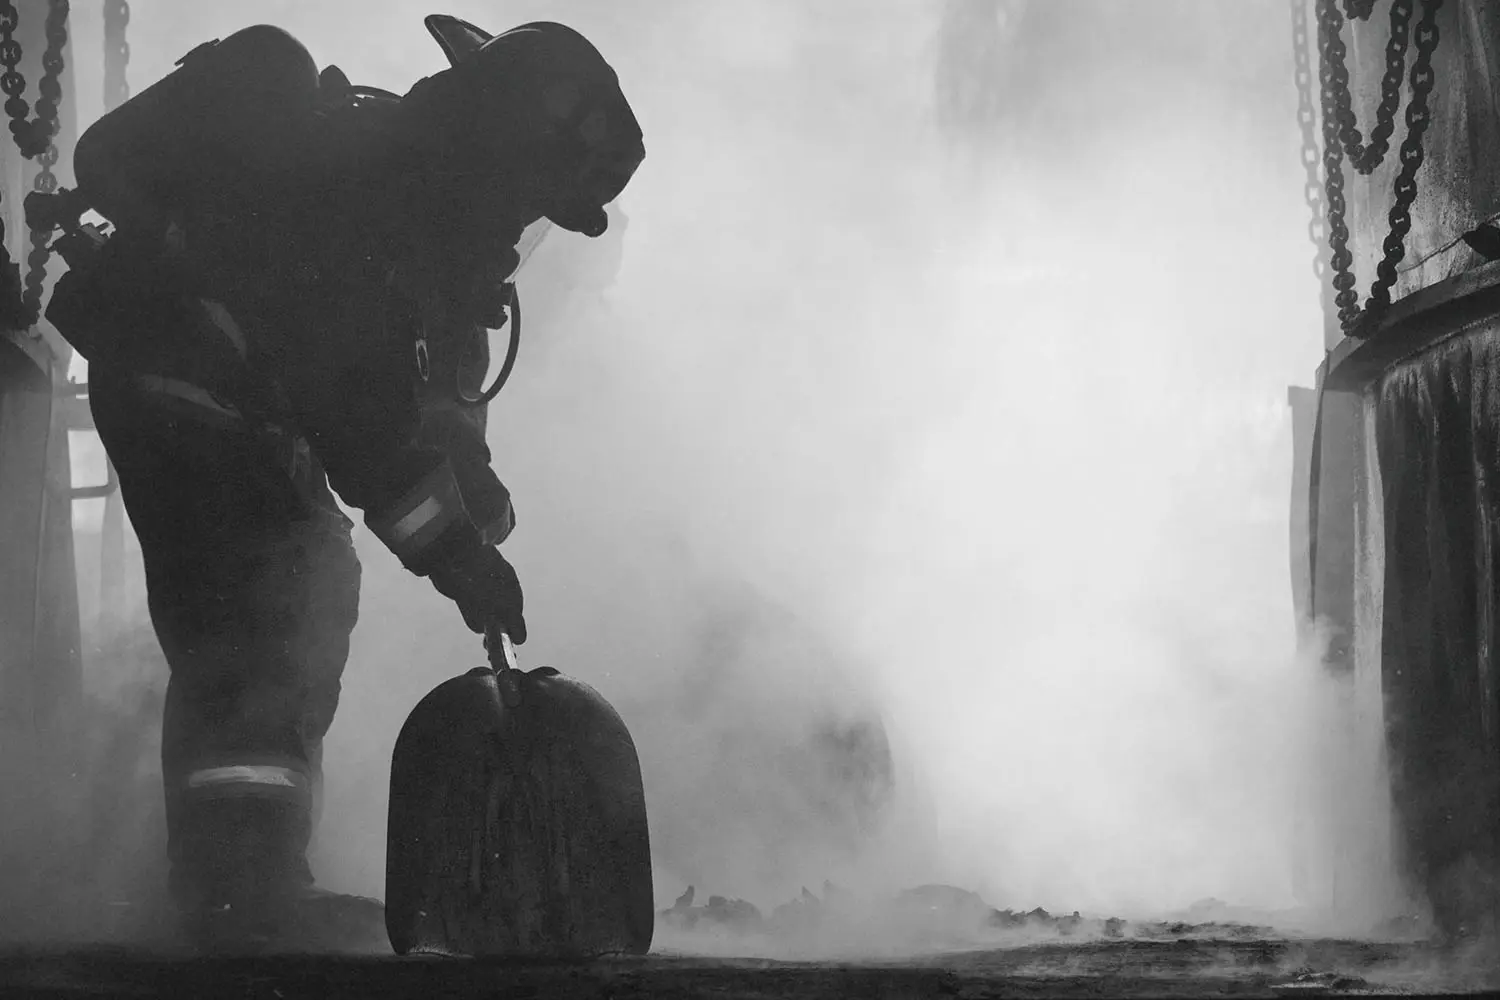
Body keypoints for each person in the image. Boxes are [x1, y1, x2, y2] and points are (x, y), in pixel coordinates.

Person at [40, 14, 644, 952]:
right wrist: (458, 559)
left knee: (308, 577)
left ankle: (250, 872)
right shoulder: (365, 195)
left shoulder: (438, 241)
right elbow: (365, 433)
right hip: (186, 390)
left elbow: (432, 406)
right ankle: (234, 892)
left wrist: (473, 489)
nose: (524, 228)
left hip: (253, 413)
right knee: (260, 613)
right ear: (495, 154)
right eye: (532, 195)